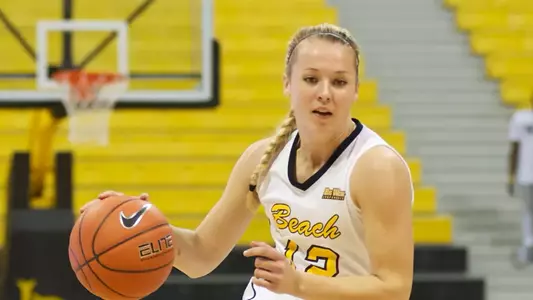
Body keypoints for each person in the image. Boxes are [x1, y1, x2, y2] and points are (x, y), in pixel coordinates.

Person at [81, 23, 414, 299]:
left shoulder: (376, 168)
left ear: (355, 90)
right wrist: (143, 229)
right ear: (287, 83)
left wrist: (299, 284)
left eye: (339, 82)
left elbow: (395, 289)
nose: (325, 92)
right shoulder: (263, 159)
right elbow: (200, 255)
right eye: (311, 79)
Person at [508, 94, 533, 268]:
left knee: (527, 211)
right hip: (525, 173)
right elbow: (515, 148)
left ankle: (528, 245)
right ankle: (528, 245)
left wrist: (510, 176)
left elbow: (514, 149)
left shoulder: (520, 118)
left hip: (525, 174)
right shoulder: (519, 118)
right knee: (527, 211)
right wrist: (511, 175)